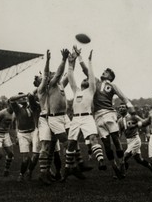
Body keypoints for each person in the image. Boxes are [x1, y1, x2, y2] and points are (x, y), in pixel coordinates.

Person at [80, 62, 135, 179]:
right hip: (98, 116)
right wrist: (80, 58)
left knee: (115, 139)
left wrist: (130, 107)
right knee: (106, 144)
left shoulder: (112, 86)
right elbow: (86, 71)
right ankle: (114, 167)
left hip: (109, 114)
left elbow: (123, 97)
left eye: (106, 72)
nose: (103, 72)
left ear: (110, 77)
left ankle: (121, 164)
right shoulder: (95, 82)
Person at [63, 47, 106, 179]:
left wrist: (88, 60)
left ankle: (100, 161)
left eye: (86, 80)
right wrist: (70, 63)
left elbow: (91, 77)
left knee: (93, 138)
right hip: (75, 119)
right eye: (84, 80)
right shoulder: (76, 90)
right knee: (71, 144)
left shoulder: (91, 90)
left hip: (87, 118)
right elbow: (70, 77)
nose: (85, 80)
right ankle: (67, 169)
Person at [36, 49, 70, 184]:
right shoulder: (42, 87)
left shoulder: (55, 86)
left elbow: (63, 75)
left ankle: (47, 172)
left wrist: (70, 61)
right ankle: (43, 174)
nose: (50, 75)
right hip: (44, 119)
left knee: (51, 148)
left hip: (52, 118)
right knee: (45, 146)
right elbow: (46, 75)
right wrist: (48, 61)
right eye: (49, 74)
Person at [8, 92, 40, 182]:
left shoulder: (32, 106)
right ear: (18, 100)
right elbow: (11, 98)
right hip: (23, 134)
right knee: (25, 159)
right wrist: (24, 94)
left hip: (33, 131)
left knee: (36, 154)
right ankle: (21, 174)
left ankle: (29, 172)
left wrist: (31, 96)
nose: (23, 99)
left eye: (24, 98)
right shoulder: (17, 108)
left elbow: (37, 104)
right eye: (20, 98)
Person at [117, 103, 151, 174]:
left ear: (127, 109)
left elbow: (145, 123)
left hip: (135, 140)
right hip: (128, 141)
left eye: (123, 107)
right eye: (120, 107)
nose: (121, 109)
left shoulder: (133, 117)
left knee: (124, 157)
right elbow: (119, 133)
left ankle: (121, 173)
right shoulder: (120, 121)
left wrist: (147, 133)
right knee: (139, 160)